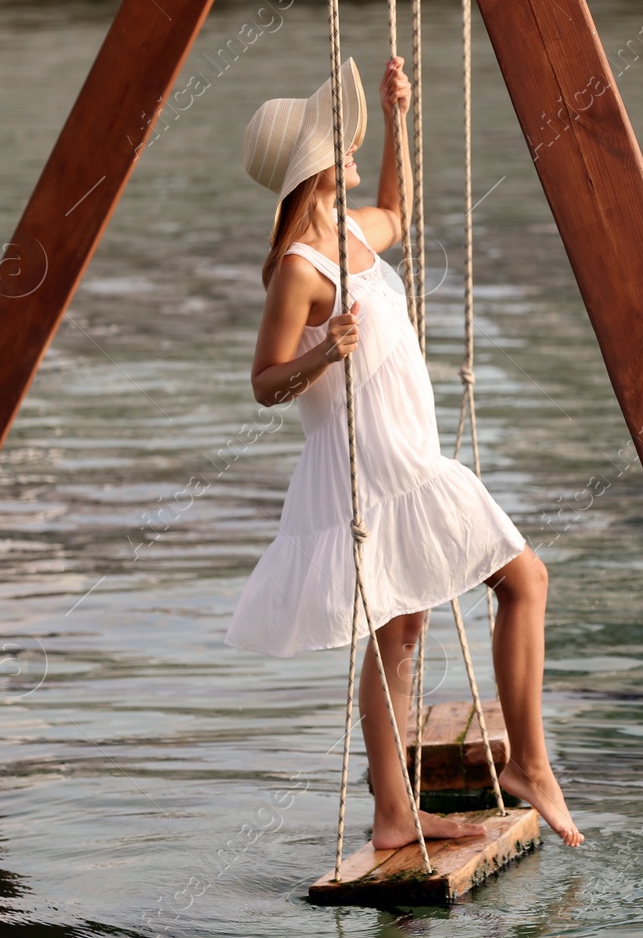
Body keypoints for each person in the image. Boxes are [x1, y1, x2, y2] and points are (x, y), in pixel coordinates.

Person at [225, 56, 582, 849]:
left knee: (410, 625)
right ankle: (519, 766)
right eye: (340, 139)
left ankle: (401, 809)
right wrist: (323, 354)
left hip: (409, 455)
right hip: (371, 467)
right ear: (312, 162)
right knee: (514, 580)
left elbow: (399, 208)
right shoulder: (299, 269)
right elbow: (262, 382)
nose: (348, 147)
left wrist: (396, 122)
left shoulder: (351, 229)